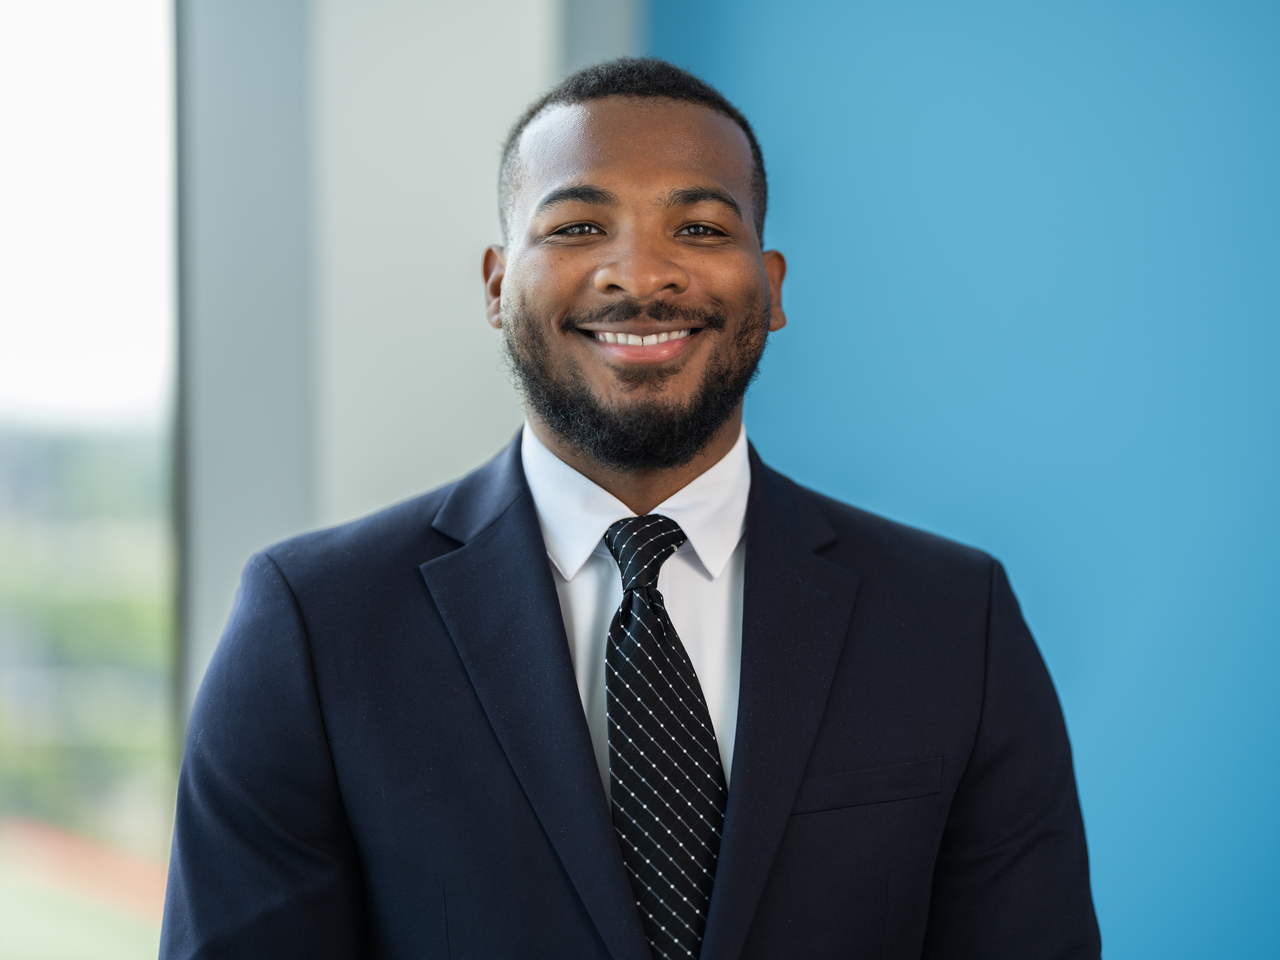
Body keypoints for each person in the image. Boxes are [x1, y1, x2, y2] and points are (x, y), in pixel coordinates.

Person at [161, 58, 1101, 959]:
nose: (641, 276)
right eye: (575, 228)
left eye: (698, 229)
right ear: (496, 285)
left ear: (769, 289)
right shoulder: (315, 621)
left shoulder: (951, 618)